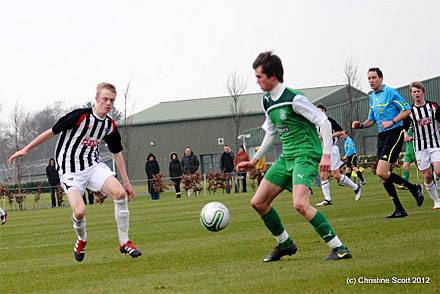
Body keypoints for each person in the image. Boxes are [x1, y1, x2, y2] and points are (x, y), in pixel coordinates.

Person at [237, 51, 352, 262]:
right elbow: (271, 132)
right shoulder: (266, 101)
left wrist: (326, 156)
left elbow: (324, 122)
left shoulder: (294, 99)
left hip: (306, 155)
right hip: (287, 157)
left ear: (272, 76)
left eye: (259, 77)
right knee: (258, 202)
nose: (257, 82)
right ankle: (285, 244)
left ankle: (340, 248)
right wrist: (254, 161)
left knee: (300, 204)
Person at [8, 82, 141, 261]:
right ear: (96, 99)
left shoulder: (109, 126)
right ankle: (81, 239)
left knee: (119, 194)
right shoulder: (79, 117)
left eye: (112, 100)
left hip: (93, 166)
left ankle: (124, 242)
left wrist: (126, 181)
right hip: (70, 171)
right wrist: (26, 149)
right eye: (105, 99)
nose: (108, 103)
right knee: (80, 212)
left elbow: (116, 152)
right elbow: (51, 132)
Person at [352, 68, 424, 218]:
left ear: (381, 78)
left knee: (381, 171)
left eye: (374, 78)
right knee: (383, 175)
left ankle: (414, 188)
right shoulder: (372, 97)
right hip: (382, 135)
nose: (371, 81)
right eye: (369, 78)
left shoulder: (391, 92)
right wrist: (361, 125)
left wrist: (392, 122)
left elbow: (407, 110)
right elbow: (371, 119)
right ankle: (400, 209)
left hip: (394, 133)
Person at [315, 104, 362, 206]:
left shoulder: (330, 121)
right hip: (322, 150)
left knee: (336, 175)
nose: (320, 113)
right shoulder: (315, 123)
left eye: (322, 110)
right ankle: (327, 199)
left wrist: (328, 135)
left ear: (325, 112)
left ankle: (356, 187)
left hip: (332, 149)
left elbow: (341, 132)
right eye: (318, 111)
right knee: (323, 174)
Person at [404, 81, 440, 209]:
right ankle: (437, 201)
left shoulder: (433, 106)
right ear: (411, 94)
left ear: (423, 92)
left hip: (434, 144)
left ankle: (438, 177)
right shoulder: (410, 111)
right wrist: (405, 135)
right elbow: (404, 127)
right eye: (414, 92)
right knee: (427, 175)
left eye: (418, 91)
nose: (416, 94)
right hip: (420, 147)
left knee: (438, 170)